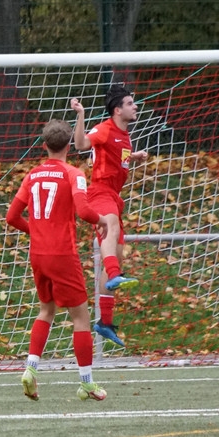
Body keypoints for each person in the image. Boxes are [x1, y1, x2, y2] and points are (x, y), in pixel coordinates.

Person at [5, 120, 116, 401]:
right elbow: (84, 211)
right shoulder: (73, 173)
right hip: (62, 254)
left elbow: (11, 217)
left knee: (46, 310)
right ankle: (87, 383)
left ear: (44, 146)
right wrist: (103, 219)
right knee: (81, 317)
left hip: (38, 255)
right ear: (69, 146)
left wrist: (36, 231)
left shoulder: (32, 175)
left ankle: (30, 369)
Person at [70, 85, 148, 347]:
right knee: (110, 227)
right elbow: (81, 144)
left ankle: (104, 322)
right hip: (99, 192)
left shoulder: (124, 135)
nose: (135, 106)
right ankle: (114, 274)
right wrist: (81, 114)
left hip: (113, 196)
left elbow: (116, 156)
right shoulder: (104, 128)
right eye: (130, 103)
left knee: (116, 252)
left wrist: (134, 157)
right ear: (117, 110)